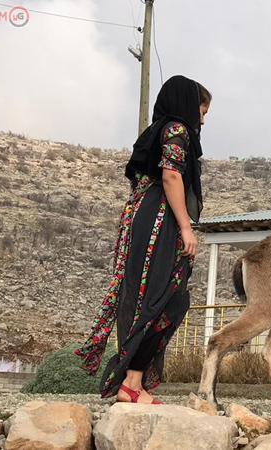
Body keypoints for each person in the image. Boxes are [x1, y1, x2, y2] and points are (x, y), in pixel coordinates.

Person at [75, 75, 211, 404]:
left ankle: (134, 383)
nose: (203, 119)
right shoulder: (177, 130)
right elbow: (171, 175)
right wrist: (185, 227)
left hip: (141, 219)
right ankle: (131, 384)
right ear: (187, 106)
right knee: (166, 300)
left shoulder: (155, 132)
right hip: (159, 222)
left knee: (152, 300)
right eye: (202, 111)